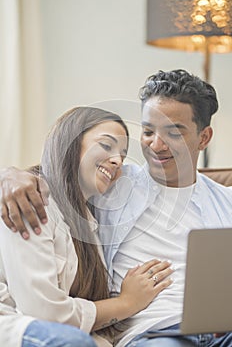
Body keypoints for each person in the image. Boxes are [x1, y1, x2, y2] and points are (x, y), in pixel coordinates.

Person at [1, 69, 232, 347]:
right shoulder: (112, 186)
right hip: (157, 332)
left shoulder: (227, 201)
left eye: (173, 132)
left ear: (204, 137)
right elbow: (62, 174)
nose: (156, 145)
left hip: (225, 328)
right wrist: (8, 174)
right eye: (148, 131)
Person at [0, 106, 173, 347]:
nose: (116, 160)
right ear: (70, 143)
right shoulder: (32, 198)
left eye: (122, 156)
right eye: (106, 145)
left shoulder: (90, 223)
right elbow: (43, 313)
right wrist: (126, 303)